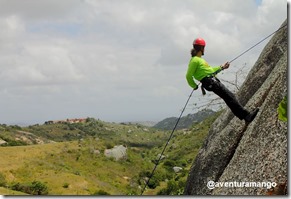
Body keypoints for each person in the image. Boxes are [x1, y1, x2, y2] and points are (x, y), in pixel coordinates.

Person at [186, 38, 259, 123]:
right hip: (209, 82)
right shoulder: (195, 60)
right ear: (202, 48)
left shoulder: (199, 59)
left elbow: (210, 71)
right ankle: (247, 116)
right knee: (230, 97)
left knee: (229, 97)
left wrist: (222, 67)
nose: (204, 49)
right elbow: (188, 75)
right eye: (204, 47)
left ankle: (245, 116)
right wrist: (194, 86)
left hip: (210, 81)